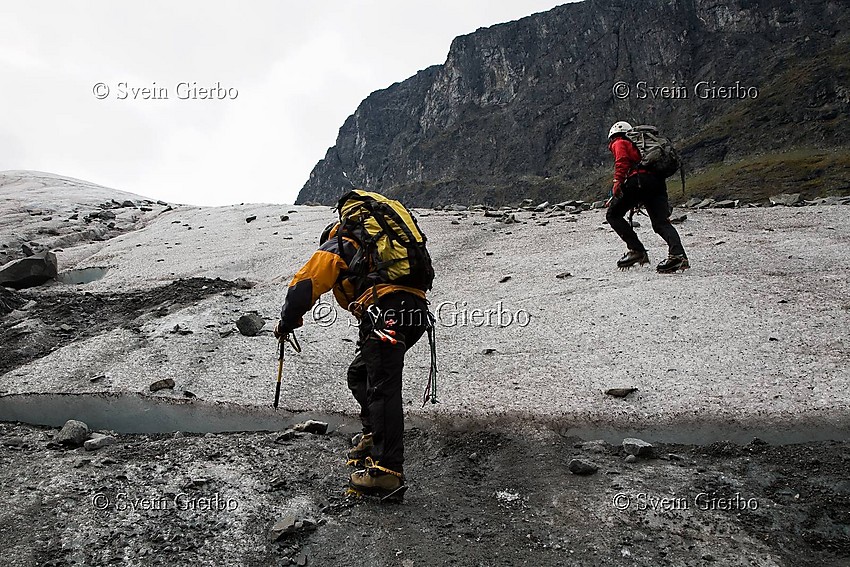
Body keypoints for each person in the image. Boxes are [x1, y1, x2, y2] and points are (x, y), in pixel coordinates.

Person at [274, 193, 431, 500]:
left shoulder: (342, 243)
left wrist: (287, 321)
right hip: (413, 311)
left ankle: (387, 472)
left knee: (382, 385)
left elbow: (304, 287)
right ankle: (374, 437)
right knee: (362, 375)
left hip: (385, 310)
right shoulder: (381, 246)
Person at [605, 121, 689, 273]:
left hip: (638, 181)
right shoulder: (643, 147)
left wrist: (617, 182)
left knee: (613, 215)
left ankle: (637, 251)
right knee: (661, 223)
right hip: (657, 182)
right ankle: (678, 256)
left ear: (612, 135)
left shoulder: (620, 141)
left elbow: (622, 160)